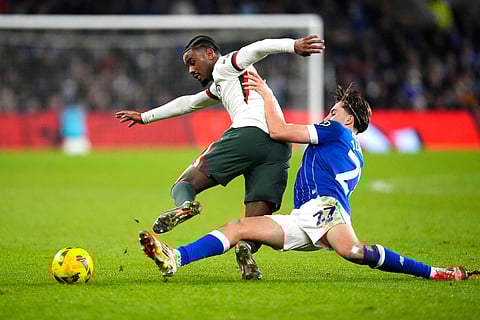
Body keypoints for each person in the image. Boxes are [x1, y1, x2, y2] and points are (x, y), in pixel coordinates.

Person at [138, 71, 478, 281]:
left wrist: (265, 93)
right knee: (238, 227)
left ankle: (434, 272)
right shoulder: (354, 150)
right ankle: (175, 258)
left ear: (347, 121)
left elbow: (280, 129)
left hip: (324, 210)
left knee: (354, 251)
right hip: (308, 215)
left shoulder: (337, 132)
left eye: (334, 112)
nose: (327, 116)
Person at [116, 35, 325, 280]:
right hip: (279, 148)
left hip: (248, 135)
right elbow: (189, 102)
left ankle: (186, 206)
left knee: (184, 184)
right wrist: (146, 116)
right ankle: (246, 249)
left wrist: (293, 46)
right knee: (255, 223)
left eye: (192, 62)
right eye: (187, 66)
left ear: (209, 54)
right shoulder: (221, 83)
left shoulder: (228, 64)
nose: (191, 69)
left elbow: (257, 47)